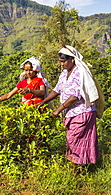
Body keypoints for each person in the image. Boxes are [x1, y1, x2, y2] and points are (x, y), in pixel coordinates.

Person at [37, 45, 100, 173]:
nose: (62, 64)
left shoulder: (79, 73)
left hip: (83, 111)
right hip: (72, 113)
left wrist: (58, 110)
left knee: (73, 140)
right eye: (60, 61)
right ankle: (82, 168)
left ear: (72, 59)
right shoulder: (65, 73)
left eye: (64, 61)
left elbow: (75, 96)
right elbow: (57, 89)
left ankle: (76, 170)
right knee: (74, 140)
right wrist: (44, 101)